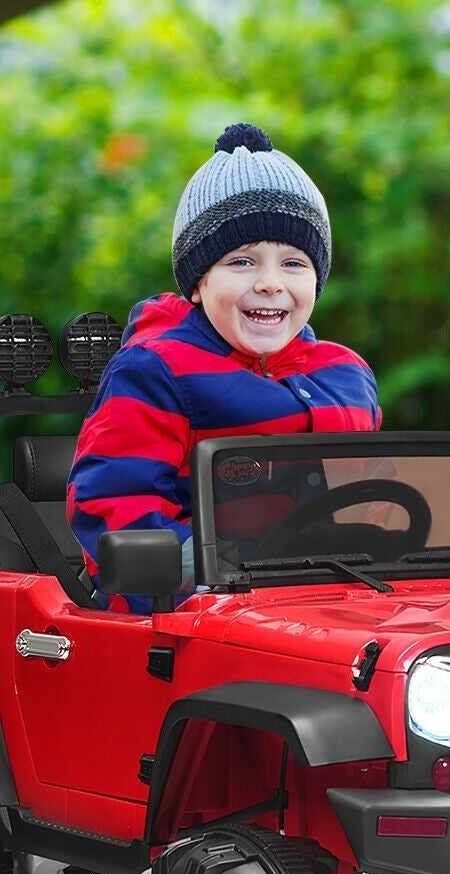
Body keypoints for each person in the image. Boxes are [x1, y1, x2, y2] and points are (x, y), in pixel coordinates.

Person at [67, 123, 381, 611]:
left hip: (328, 603)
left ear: (317, 281)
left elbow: (376, 491)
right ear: (198, 283)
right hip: (190, 612)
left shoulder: (344, 376)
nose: (271, 283)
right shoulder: (156, 370)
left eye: (294, 263)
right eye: (242, 262)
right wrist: (226, 577)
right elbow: (117, 505)